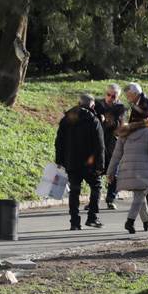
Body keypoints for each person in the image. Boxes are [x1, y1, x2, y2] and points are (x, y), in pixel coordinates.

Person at [54, 94, 105, 230]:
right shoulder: (93, 120)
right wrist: (100, 165)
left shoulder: (67, 119)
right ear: (92, 105)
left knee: (74, 191)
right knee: (96, 187)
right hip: (90, 163)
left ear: (78, 103)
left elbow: (59, 142)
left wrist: (59, 161)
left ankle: (74, 222)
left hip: (71, 162)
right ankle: (92, 217)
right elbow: (100, 145)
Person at [106, 117, 148, 233]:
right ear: (146, 119)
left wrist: (110, 172)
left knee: (139, 196)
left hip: (127, 170)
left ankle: (147, 223)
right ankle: (130, 221)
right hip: (144, 170)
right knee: (139, 195)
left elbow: (116, 155)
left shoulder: (125, 133)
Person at [94, 83, 128, 210]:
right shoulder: (98, 105)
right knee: (95, 171)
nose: (110, 98)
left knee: (113, 171)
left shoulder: (120, 108)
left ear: (118, 97)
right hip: (98, 142)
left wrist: (107, 120)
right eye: (108, 95)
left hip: (113, 143)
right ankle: (94, 199)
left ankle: (110, 198)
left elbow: (119, 125)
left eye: (114, 96)